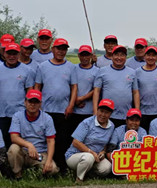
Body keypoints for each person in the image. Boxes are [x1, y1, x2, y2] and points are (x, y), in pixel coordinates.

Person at [33, 38, 76, 172]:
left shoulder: (71, 67)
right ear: (53, 49)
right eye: (58, 48)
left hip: (63, 110)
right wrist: (37, 105)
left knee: (62, 139)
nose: (61, 51)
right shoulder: (43, 66)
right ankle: (45, 165)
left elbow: (74, 87)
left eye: (64, 49)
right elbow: (37, 86)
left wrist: (71, 105)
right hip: (46, 110)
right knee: (46, 139)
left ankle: (62, 167)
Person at [0, 42, 35, 148]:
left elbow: (30, 91)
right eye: (9, 53)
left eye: (14, 54)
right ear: (4, 53)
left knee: (17, 141)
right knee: (1, 141)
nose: (11, 56)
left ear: (19, 54)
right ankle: (2, 158)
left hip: (19, 112)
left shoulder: (27, 70)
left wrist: (29, 109)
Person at [7, 89, 58, 179]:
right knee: (13, 149)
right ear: (25, 102)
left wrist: (49, 161)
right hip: (23, 151)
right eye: (30, 101)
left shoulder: (47, 118)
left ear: (40, 104)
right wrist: (29, 145)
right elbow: (14, 137)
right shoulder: (17, 116)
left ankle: (35, 175)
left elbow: (51, 141)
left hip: (40, 153)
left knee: (52, 169)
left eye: (36, 102)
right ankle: (18, 174)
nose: (32, 104)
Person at [66, 98, 115, 183]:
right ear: (97, 110)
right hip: (75, 155)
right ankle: (79, 179)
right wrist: (91, 152)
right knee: (88, 157)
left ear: (110, 114)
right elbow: (75, 142)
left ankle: (89, 175)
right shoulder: (87, 122)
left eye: (106, 112)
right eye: (101, 111)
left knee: (107, 167)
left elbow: (106, 143)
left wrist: (103, 152)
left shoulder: (111, 126)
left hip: (95, 158)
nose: (103, 115)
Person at [93, 44, 139, 127]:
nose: (119, 58)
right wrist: (95, 111)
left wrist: (137, 111)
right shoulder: (102, 71)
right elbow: (96, 91)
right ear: (112, 56)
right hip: (107, 116)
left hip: (126, 115)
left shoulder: (132, 72)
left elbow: (135, 92)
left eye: (122, 55)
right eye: (116, 55)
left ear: (126, 57)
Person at [66, 45, 99, 138]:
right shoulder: (73, 68)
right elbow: (69, 86)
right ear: (78, 55)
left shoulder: (97, 71)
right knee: (72, 137)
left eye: (87, 55)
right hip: (73, 111)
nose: (84, 58)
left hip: (88, 111)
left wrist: (81, 99)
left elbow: (96, 89)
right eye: (82, 55)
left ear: (91, 56)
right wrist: (74, 101)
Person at [134, 46, 157, 131]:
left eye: (153, 55)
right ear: (144, 56)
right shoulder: (137, 72)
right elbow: (136, 92)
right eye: (148, 55)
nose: (151, 58)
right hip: (143, 111)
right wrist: (137, 110)